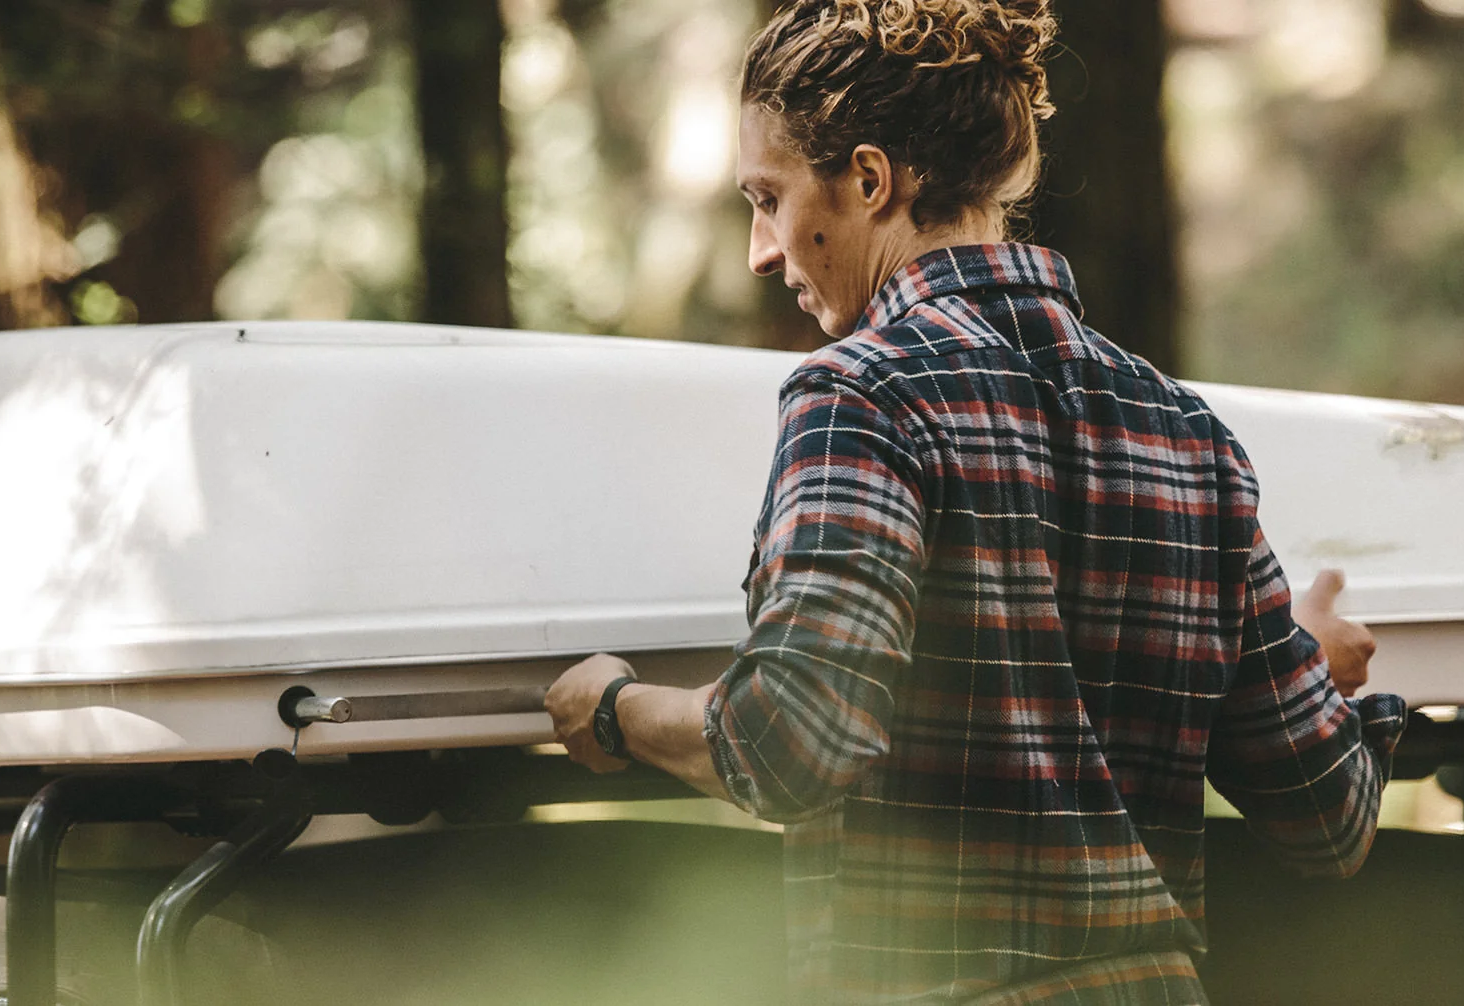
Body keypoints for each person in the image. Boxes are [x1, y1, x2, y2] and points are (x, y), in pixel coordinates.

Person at [545, 1, 1405, 1001]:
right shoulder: (1185, 431)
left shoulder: (859, 394)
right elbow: (1327, 816)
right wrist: (1303, 654)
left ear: (869, 181)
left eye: (768, 199)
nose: (760, 251)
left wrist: (609, 710)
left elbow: (789, 740)